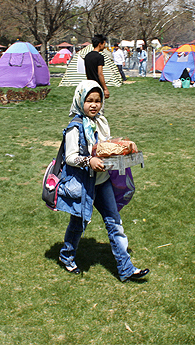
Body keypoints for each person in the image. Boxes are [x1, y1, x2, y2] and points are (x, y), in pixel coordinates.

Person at [56, 80, 149, 282]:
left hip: (102, 180)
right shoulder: (75, 127)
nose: (94, 105)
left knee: (114, 222)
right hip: (83, 184)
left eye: (97, 101)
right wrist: (89, 160)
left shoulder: (100, 122)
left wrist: (120, 148)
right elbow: (70, 157)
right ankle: (66, 257)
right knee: (78, 223)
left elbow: (105, 147)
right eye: (89, 100)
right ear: (80, 100)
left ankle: (126, 269)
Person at [84, 34, 110, 99]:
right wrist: (105, 88)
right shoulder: (100, 57)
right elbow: (100, 74)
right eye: (104, 44)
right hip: (98, 86)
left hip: (89, 85)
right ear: (99, 44)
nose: (104, 47)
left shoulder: (87, 56)